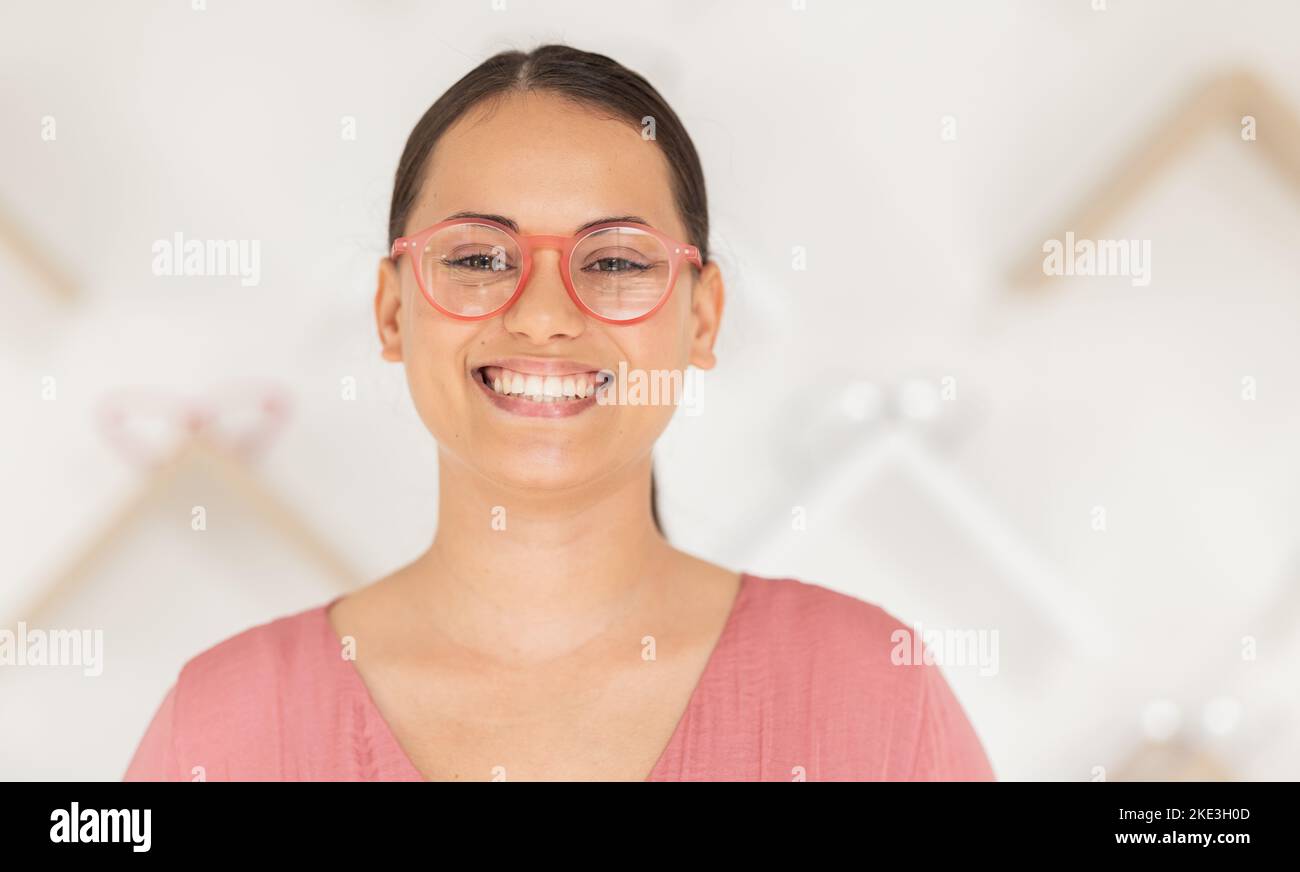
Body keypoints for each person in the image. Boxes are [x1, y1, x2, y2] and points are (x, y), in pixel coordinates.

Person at [125, 44, 994, 782]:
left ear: (702, 316)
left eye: (615, 262)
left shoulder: (870, 693)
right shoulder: (221, 729)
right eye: (478, 256)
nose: (544, 312)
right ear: (392, 311)